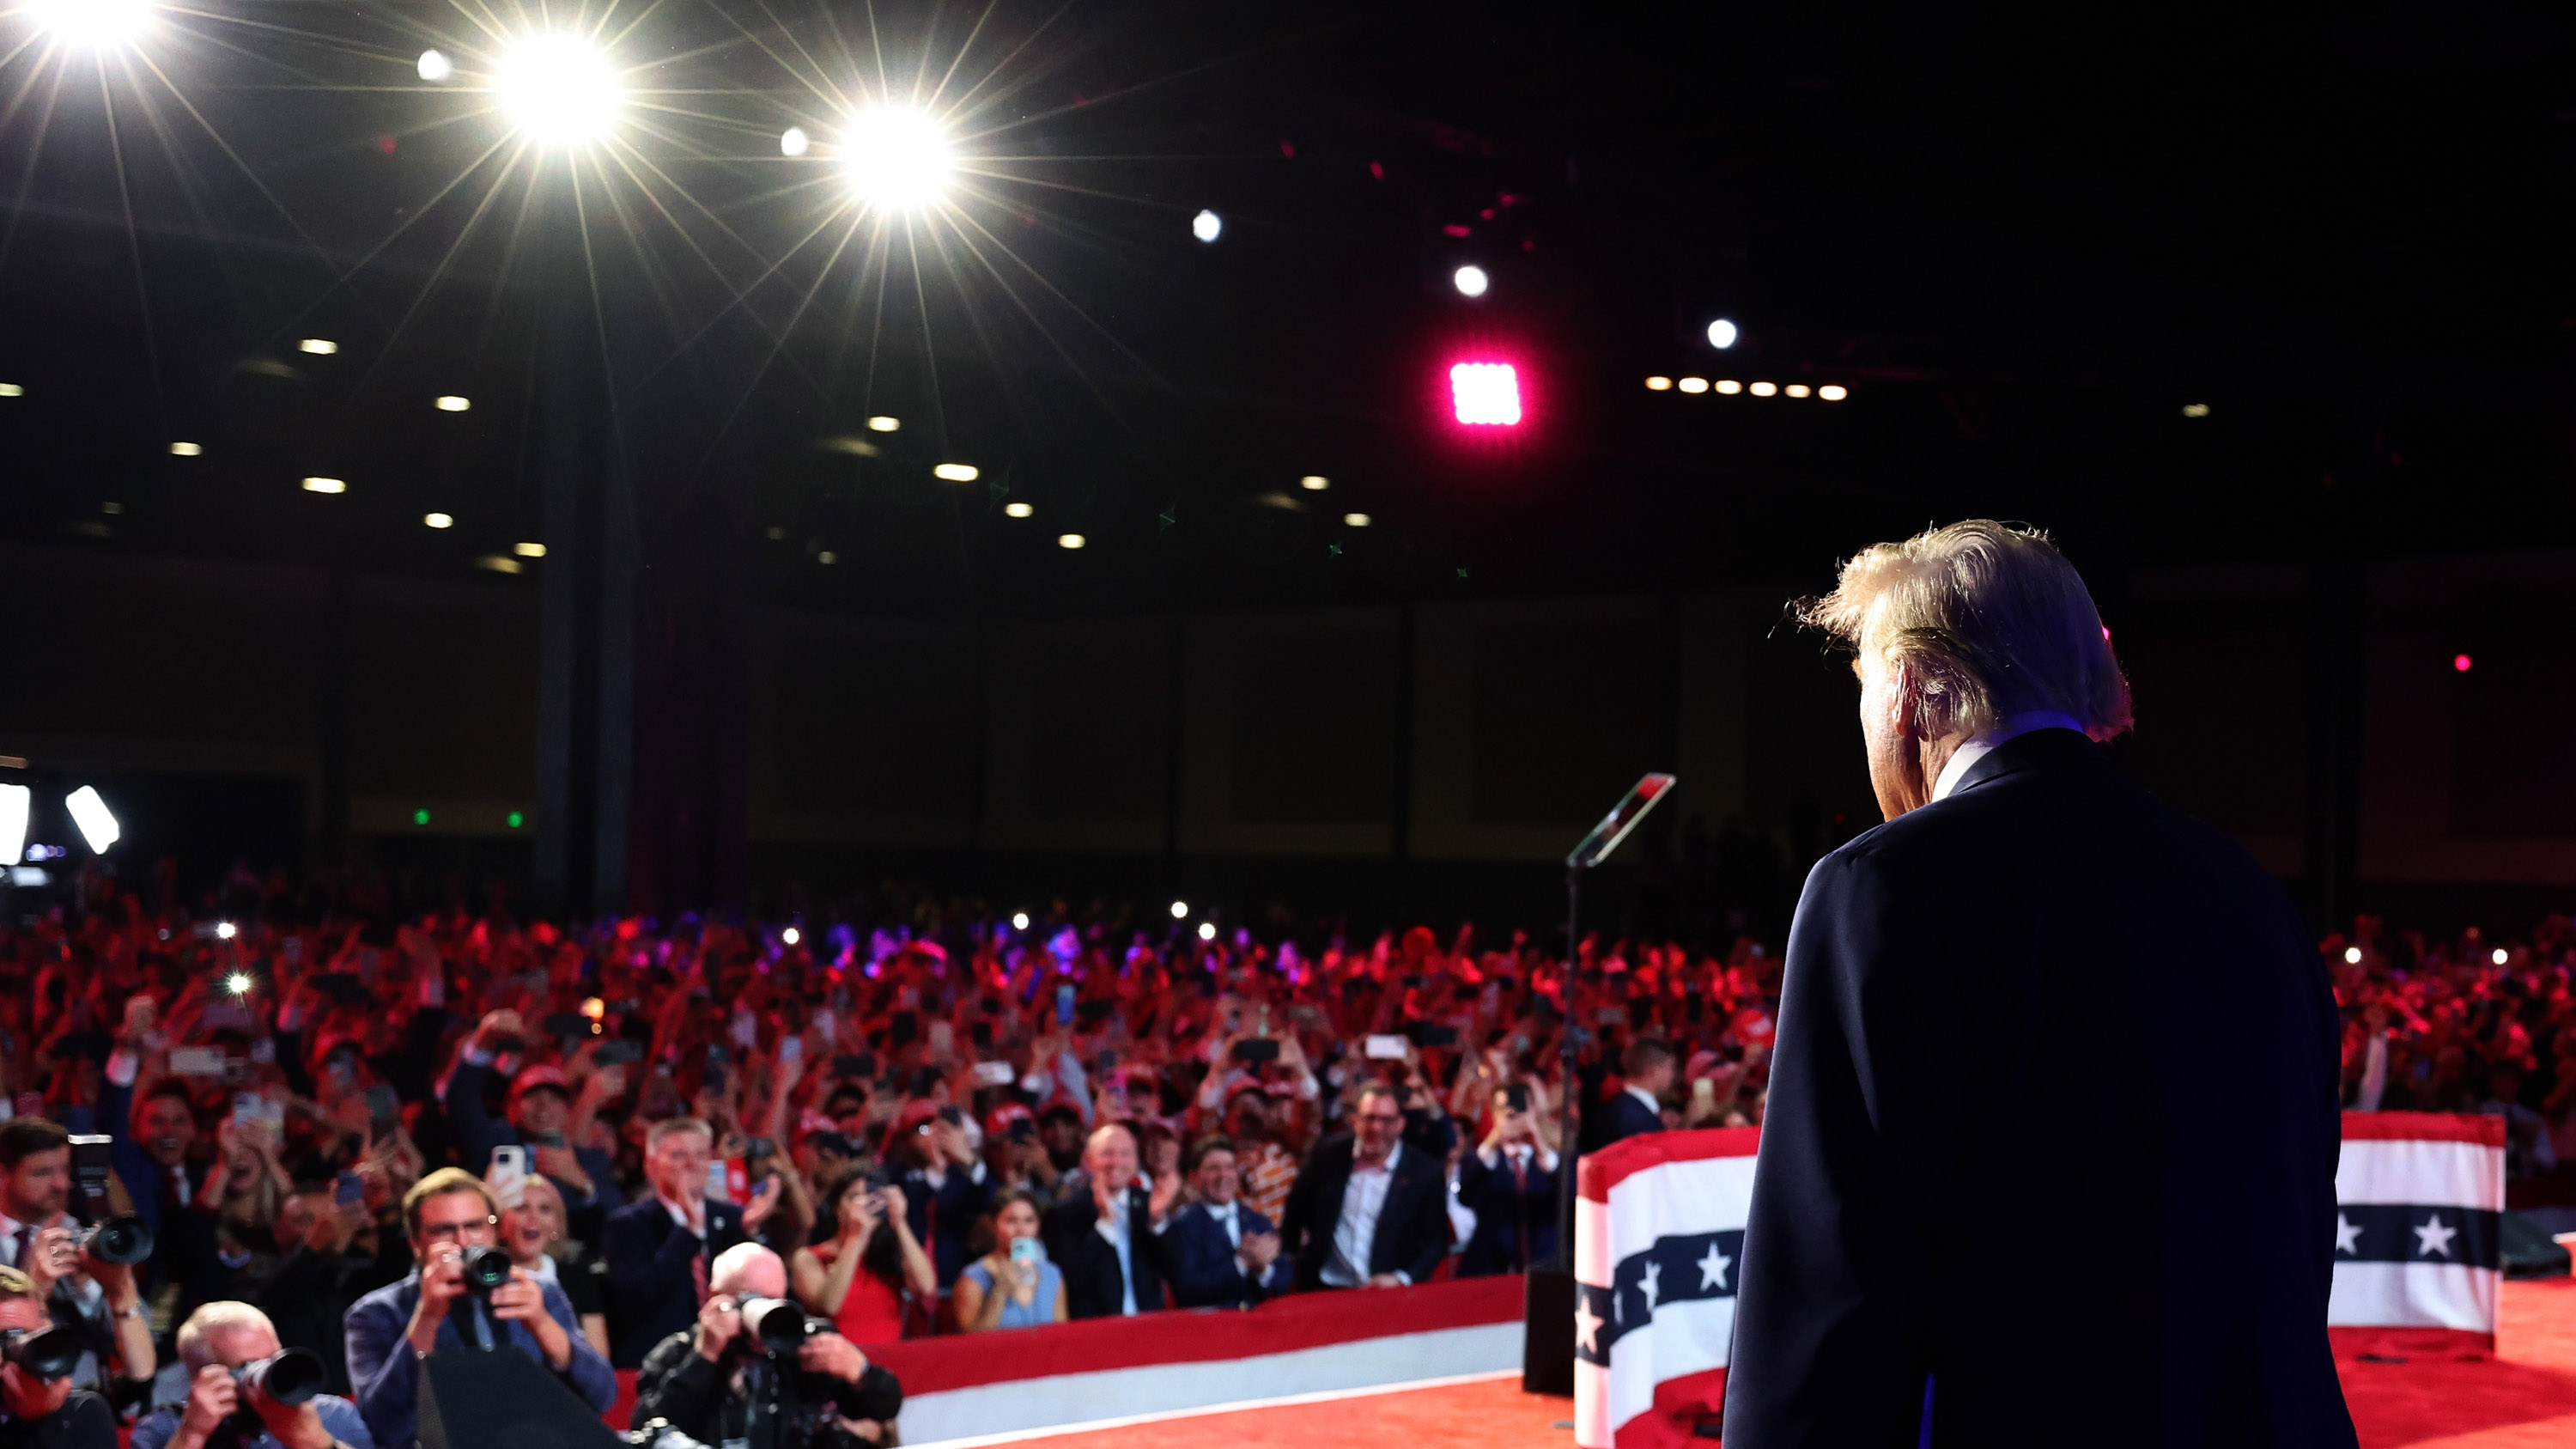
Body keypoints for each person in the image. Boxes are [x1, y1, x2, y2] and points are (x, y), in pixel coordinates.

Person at [1722, 521, 2355, 1446]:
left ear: (1906, 688)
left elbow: (1830, 1279)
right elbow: (2296, 1220)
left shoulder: (1884, 887)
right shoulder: (2245, 887)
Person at [343, 1169, 617, 1449]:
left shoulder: (538, 1293)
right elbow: (380, 1424)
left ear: (494, 1232)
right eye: (444, 1230)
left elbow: (603, 1396)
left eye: (474, 1226)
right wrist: (428, 1316)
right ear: (415, 1243)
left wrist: (542, 1323)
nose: (464, 1242)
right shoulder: (375, 1313)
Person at [629, 1243, 902, 1449]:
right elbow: (648, 1428)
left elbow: (885, 1407)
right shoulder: (678, 1352)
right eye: (753, 1299)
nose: (767, 1313)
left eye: (776, 1300)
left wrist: (861, 1373)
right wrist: (706, 1355)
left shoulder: (802, 1345)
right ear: (715, 1297)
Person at [0, 1119, 155, 1395]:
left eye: (65, 1170)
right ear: (3, 1175)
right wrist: (34, 1287)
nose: (61, 1184)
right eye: (42, 1173)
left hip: (84, 1401)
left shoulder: (83, 1235)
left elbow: (144, 1354)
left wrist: (92, 1288)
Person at [441, 1013, 627, 1242]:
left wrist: (583, 1183)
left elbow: (620, 1217)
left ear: (568, 1110)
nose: (544, 1106)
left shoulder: (588, 1161)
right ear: (513, 1106)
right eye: (533, 1096)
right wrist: (483, 1042)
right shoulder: (494, 1141)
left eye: (555, 1098)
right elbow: (462, 1101)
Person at [600, 1118, 750, 1367]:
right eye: (679, 1156)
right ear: (651, 1166)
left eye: (701, 1155)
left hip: (725, 1363)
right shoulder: (627, 1225)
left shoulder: (733, 1219)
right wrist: (689, 1231)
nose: (692, 1165)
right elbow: (638, 1297)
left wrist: (753, 1233)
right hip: (657, 1364)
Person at [133, 1302, 374, 1449]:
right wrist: (192, 1435)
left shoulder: (331, 1414)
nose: (268, 1373)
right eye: (248, 1366)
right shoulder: (165, 1428)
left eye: (273, 1359)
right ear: (202, 1377)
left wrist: (320, 1444)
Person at [1279, 1084, 1448, 1291]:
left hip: (1388, 1293)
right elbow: (1295, 1211)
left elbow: (1436, 1242)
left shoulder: (1424, 1172)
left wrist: (1401, 1278)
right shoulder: (1328, 1156)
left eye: (1386, 1120)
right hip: (1327, 1286)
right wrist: (1291, 1262)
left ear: (1400, 1124)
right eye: (1370, 1118)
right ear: (1355, 1120)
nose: (1376, 1128)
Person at [1037, 1123, 1179, 1319]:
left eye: (1125, 1154)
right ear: (1088, 1161)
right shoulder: (1066, 1212)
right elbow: (1069, 1280)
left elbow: (1175, 1271)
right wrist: (1103, 1229)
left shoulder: (1148, 1204)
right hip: (1096, 1333)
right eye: (1107, 1154)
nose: (1116, 1162)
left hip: (1148, 1326)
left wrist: (1157, 1221)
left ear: (1136, 1160)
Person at [787, 1172, 933, 1346]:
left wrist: (900, 1222)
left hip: (888, 1362)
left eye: (871, 1196)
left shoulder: (888, 1254)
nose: (864, 1204)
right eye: (853, 1197)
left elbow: (927, 1287)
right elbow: (829, 1306)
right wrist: (857, 1236)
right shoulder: (809, 1258)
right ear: (836, 1206)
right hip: (836, 1363)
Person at [495, 1176, 609, 1360]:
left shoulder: (577, 1274)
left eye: (545, 1209)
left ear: (556, 1224)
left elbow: (598, 1358)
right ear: (500, 1222)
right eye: (522, 1208)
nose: (534, 1218)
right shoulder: (488, 1276)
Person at [0, 1265, 114, 1449]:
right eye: (3, 1338)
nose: (14, 1349)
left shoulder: (82, 1412)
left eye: (28, 1333)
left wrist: (43, 1419)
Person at [1165, 1140, 1288, 1309]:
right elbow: (1186, 1289)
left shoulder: (1257, 1221)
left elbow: (1285, 1279)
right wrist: (1241, 1263)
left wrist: (1263, 1269)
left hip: (1260, 1328)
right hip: (1211, 1329)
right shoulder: (1182, 1227)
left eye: (1230, 1167)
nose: (1224, 1175)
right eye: (1214, 1168)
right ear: (1194, 1178)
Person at [1454, 1087, 1558, 1275]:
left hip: (1544, 1270)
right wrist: (1495, 1137)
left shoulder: (1552, 1160)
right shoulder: (1481, 1159)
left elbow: (1571, 1194)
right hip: (1491, 1271)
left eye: (1521, 1108)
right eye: (1504, 1109)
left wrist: (1539, 1140)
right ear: (1493, 1113)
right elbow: (1466, 1197)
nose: (1514, 1114)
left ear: (1534, 1110)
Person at [952, 1190, 1066, 1330]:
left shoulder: (1052, 1275)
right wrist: (1000, 1292)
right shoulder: (972, 1279)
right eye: (1011, 1221)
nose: (1021, 1230)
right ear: (992, 1225)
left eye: (1029, 1220)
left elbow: (1062, 1336)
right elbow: (971, 1343)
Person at [1595, 1039, 1671, 1147]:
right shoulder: (1636, 1118)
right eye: (1669, 1067)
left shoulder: (1623, 1105)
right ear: (1654, 1071)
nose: (1672, 1074)